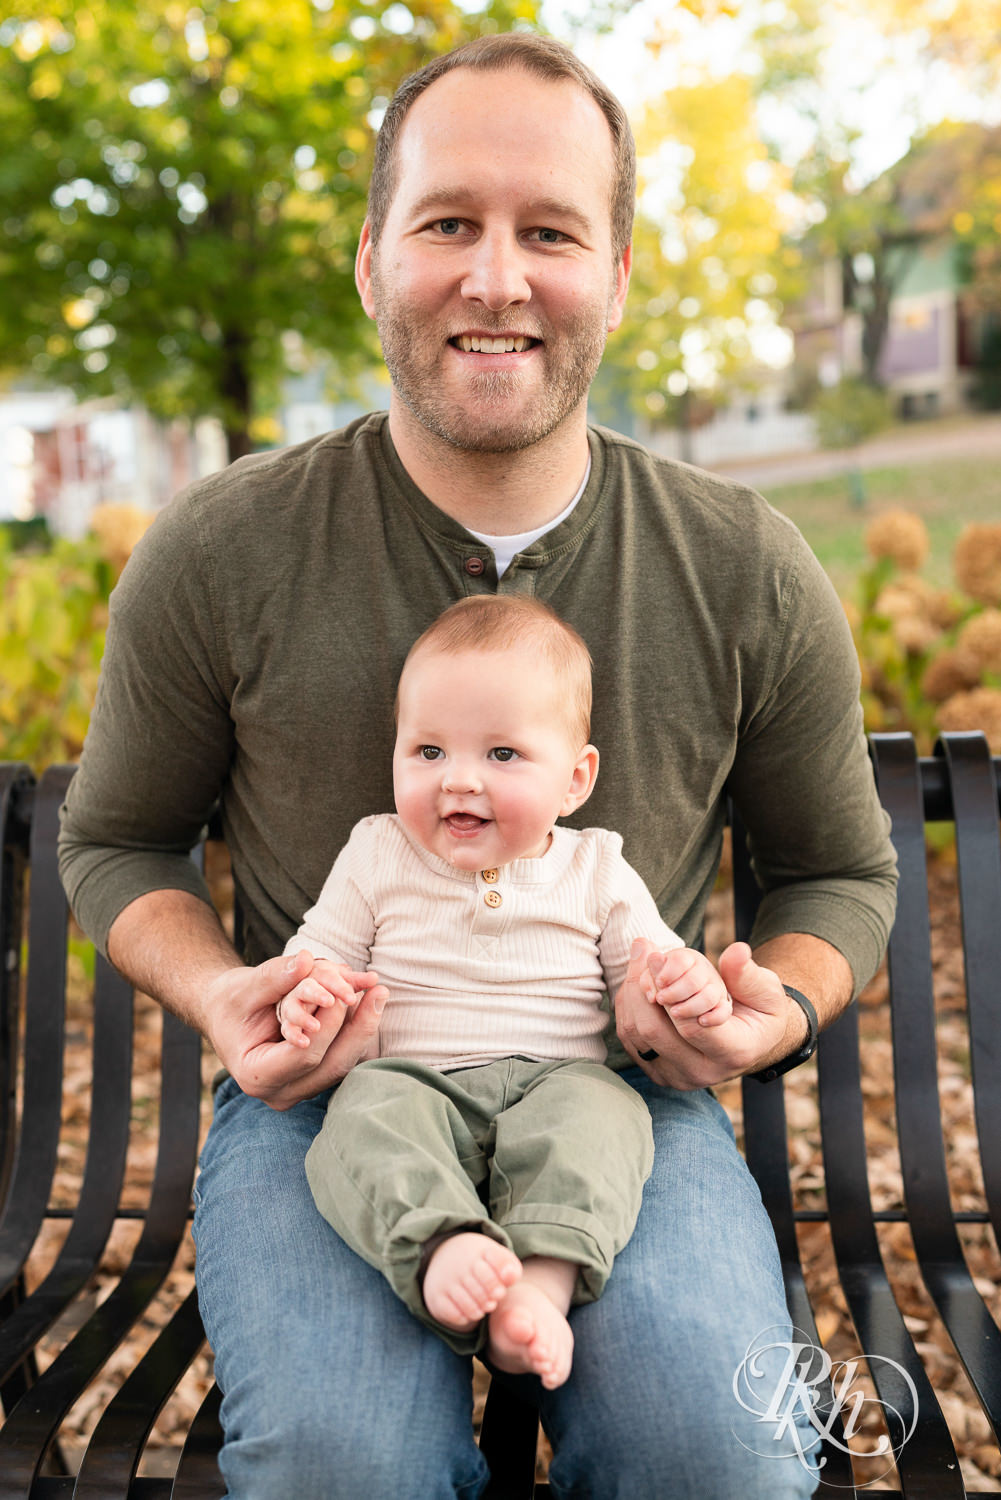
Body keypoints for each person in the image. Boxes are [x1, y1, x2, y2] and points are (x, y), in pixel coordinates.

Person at [58, 29, 897, 1500]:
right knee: (336, 1465)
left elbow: (837, 870)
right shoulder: (223, 550)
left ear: (618, 274)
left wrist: (768, 1014)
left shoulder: (739, 565)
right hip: (333, 1099)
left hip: (619, 1097)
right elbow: (116, 839)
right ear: (375, 255)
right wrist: (223, 989)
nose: (496, 278)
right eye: (449, 221)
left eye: (550, 231)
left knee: (718, 1456)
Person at [277, 594, 732, 1391]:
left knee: (603, 1123)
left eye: (501, 755)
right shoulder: (377, 852)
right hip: (412, 1080)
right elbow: (318, 953)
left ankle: (539, 1288)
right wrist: (305, 994)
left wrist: (687, 985)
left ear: (574, 779)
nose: (457, 780)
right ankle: (438, 1245)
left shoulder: (594, 868)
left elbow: (650, 973)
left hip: (559, 1080)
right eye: (426, 751)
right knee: (363, 1122)